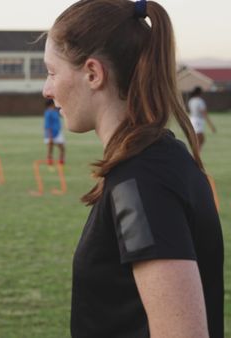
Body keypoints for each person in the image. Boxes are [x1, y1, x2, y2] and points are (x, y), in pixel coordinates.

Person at [42, 1, 223, 337]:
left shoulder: (142, 179)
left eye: (52, 72)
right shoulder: (156, 161)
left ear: (93, 74)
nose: (47, 89)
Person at [188, 86, 217, 151]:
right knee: (200, 139)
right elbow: (204, 114)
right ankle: (195, 157)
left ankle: (196, 157)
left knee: (199, 140)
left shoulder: (191, 100)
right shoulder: (200, 101)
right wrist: (211, 126)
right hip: (198, 121)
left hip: (192, 119)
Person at [43, 98, 66, 165]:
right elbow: (47, 125)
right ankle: (49, 160)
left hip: (57, 133)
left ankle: (61, 161)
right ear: (51, 104)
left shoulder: (55, 111)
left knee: (62, 147)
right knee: (50, 148)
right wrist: (50, 137)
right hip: (50, 134)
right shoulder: (48, 113)